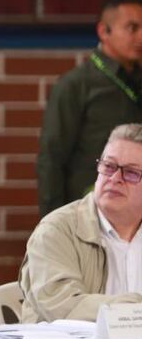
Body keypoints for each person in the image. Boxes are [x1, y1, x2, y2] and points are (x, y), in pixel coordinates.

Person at [21, 124, 142, 322]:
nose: (115, 178)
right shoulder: (56, 230)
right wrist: (135, 309)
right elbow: (63, 307)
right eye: (109, 166)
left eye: (130, 172)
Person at [38, 0, 142, 217]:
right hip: (90, 213)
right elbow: (52, 158)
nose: (141, 36)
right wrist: (53, 221)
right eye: (132, 28)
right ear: (104, 32)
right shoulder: (76, 85)